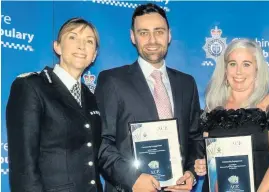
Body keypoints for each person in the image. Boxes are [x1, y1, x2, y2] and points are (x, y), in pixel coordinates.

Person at [95, 3, 203, 192]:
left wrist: (190, 174)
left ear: (169, 35)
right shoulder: (112, 80)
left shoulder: (187, 83)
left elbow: (195, 137)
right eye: (143, 32)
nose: (152, 40)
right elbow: (102, 142)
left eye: (159, 31)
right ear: (133, 37)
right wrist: (133, 179)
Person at [6, 18, 102, 192]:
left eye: (89, 41)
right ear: (57, 46)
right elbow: (23, 168)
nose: (81, 46)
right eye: (73, 37)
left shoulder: (90, 96)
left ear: (94, 54)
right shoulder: (31, 86)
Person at [194, 38, 269, 192]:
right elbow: (210, 159)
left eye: (246, 64)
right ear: (225, 69)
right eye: (233, 64)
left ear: (257, 69)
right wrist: (202, 164)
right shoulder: (212, 109)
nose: (238, 72)